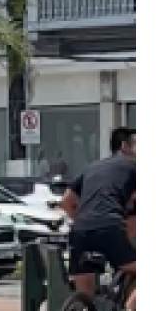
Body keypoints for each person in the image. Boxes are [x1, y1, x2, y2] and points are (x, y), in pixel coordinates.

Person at [60, 124, 135, 298]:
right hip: (109, 227)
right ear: (124, 146)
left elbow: (66, 201)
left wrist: (83, 220)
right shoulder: (134, 166)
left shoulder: (91, 167)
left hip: (79, 230)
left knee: (84, 296)